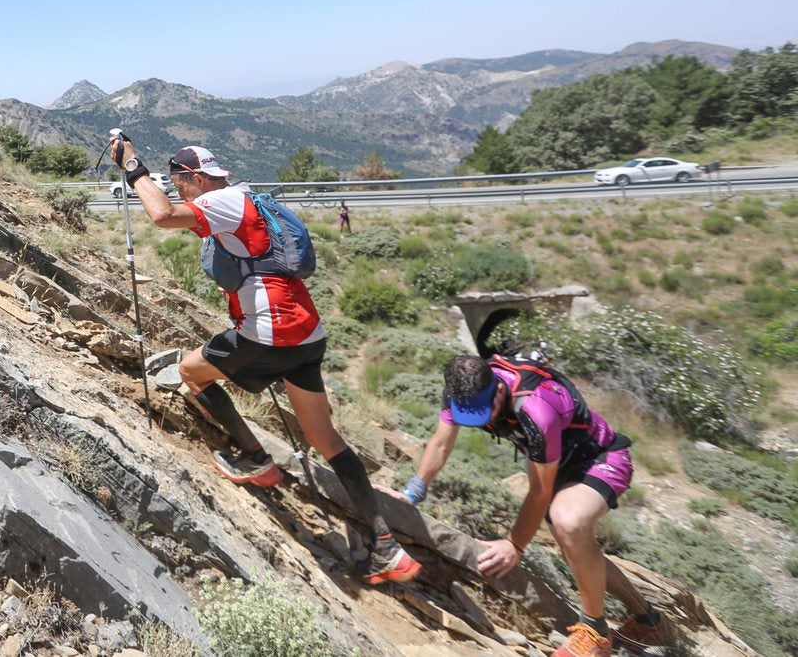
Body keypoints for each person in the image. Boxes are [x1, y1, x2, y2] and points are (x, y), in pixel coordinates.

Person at [108, 136, 421, 586]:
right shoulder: (250, 196)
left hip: (270, 331)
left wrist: (134, 167)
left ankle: (255, 459)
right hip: (306, 330)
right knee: (326, 437)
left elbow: (161, 216)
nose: (179, 193)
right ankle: (386, 546)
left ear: (193, 178)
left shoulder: (218, 200)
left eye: (179, 184)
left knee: (190, 372)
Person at [401, 354, 667, 656]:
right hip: (557, 462)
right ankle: (650, 621)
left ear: (499, 391)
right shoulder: (461, 388)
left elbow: (540, 490)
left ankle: (595, 632)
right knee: (575, 552)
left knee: (568, 524)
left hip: (599, 458)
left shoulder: (536, 407)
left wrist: (514, 544)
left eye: (485, 412)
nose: (484, 420)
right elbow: (439, 443)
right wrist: (412, 492)